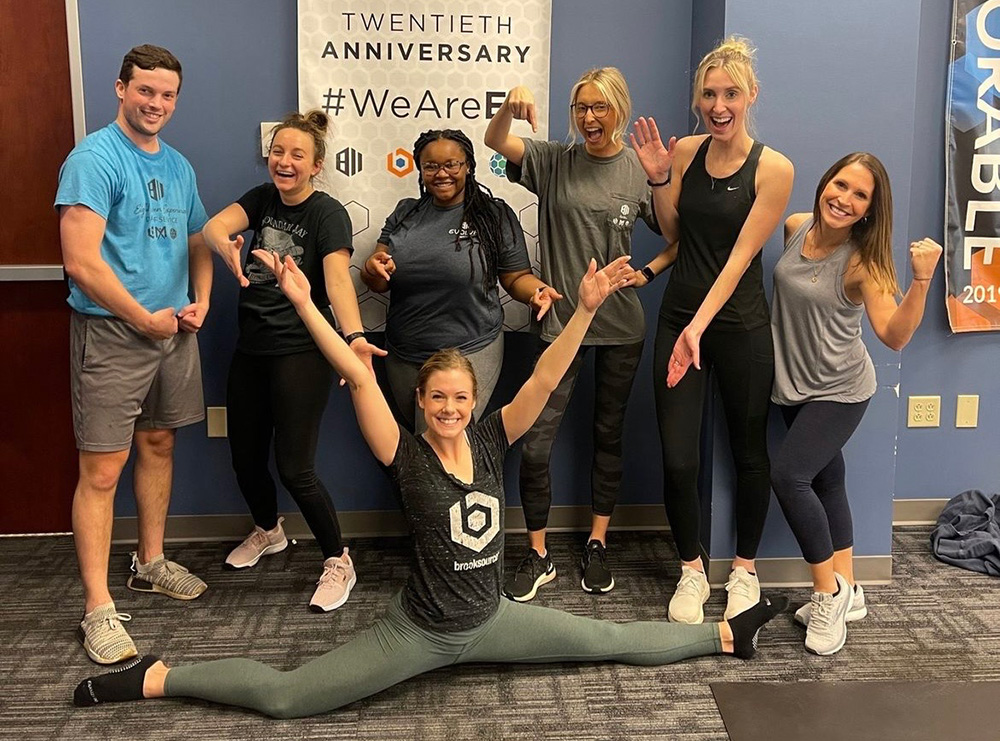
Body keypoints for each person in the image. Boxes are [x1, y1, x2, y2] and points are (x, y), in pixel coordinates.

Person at [74, 250, 787, 717]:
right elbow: (356, 372)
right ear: (421, 402)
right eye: (437, 398)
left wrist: (587, 309)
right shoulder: (405, 453)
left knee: (606, 636)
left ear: (473, 400)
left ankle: (728, 635)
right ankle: (156, 675)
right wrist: (302, 300)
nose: (450, 407)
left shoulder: (489, 437)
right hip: (418, 632)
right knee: (289, 697)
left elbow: (543, 375)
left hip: (495, 620)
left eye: (460, 397)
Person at [56, 44, 212, 664]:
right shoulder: (93, 159)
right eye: (145, 91)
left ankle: (149, 561)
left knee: (159, 444)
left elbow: (199, 237)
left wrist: (200, 297)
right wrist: (140, 316)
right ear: (120, 89)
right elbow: (81, 260)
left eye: (167, 94)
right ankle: (97, 609)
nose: (156, 104)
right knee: (101, 471)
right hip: (115, 335)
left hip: (172, 332)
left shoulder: (177, 165)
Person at [484, 67, 666, 599]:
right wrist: (508, 106)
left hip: (621, 327)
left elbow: (675, 236)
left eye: (600, 107)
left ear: (620, 110)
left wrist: (648, 272)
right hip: (561, 325)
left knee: (608, 436)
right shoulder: (551, 160)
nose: (590, 118)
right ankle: (538, 553)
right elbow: (495, 142)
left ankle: (597, 543)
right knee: (536, 444)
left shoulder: (640, 169)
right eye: (581, 107)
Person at [630, 37, 794, 623]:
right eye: (708, 94)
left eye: (731, 94)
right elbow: (677, 234)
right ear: (697, 99)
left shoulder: (773, 168)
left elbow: (740, 258)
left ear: (752, 96)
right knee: (678, 458)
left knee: (750, 455)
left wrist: (700, 326)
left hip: (739, 324)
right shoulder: (688, 151)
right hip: (679, 318)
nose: (718, 105)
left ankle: (744, 571)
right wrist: (657, 180)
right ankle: (692, 572)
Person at [202, 110, 382, 612]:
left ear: (316, 165)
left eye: (297, 155)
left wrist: (355, 338)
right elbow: (215, 226)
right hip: (250, 349)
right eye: (278, 152)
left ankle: (338, 561)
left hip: (301, 351)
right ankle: (268, 530)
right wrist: (226, 248)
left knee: (295, 468)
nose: (284, 161)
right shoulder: (261, 201)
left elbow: (339, 280)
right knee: (244, 456)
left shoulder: (327, 214)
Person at [769, 152, 941, 655]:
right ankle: (853, 589)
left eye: (859, 195)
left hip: (840, 389)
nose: (844, 199)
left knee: (789, 476)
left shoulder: (864, 264)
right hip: (792, 383)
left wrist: (923, 280)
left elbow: (893, 335)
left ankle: (829, 593)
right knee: (827, 479)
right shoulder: (797, 226)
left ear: (870, 210)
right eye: (840, 185)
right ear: (825, 183)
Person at [361, 129, 560, 433]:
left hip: (471, 348)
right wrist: (372, 269)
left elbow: (516, 277)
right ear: (420, 169)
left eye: (452, 165)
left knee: (447, 439)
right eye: (431, 166)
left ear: (468, 165)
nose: (442, 174)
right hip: (405, 354)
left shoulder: (494, 215)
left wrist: (537, 293)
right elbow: (378, 278)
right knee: (418, 446)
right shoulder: (405, 213)